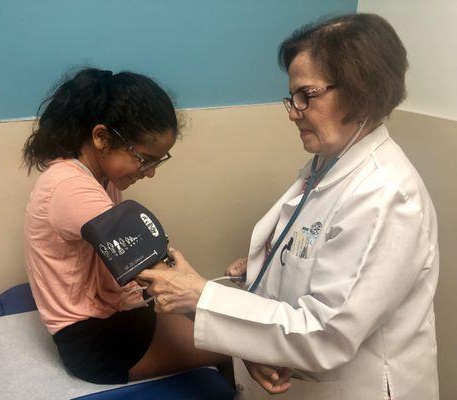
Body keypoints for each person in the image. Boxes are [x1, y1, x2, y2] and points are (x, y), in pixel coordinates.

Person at [138, 13, 439, 399]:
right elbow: (321, 256)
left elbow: (327, 334)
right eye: (292, 96)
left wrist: (200, 295)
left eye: (306, 95)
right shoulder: (330, 164)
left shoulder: (386, 196)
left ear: (362, 91)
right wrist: (267, 264)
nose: (293, 111)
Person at [22, 68, 226, 385]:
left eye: (157, 161)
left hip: (119, 316)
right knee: (232, 348)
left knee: (223, 335)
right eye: (144, 159)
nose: (149, 173)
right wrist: (241, 331)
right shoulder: (70, 187)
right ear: (101, 137)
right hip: (95, 341)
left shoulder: (96, 177)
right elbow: (154, 269)